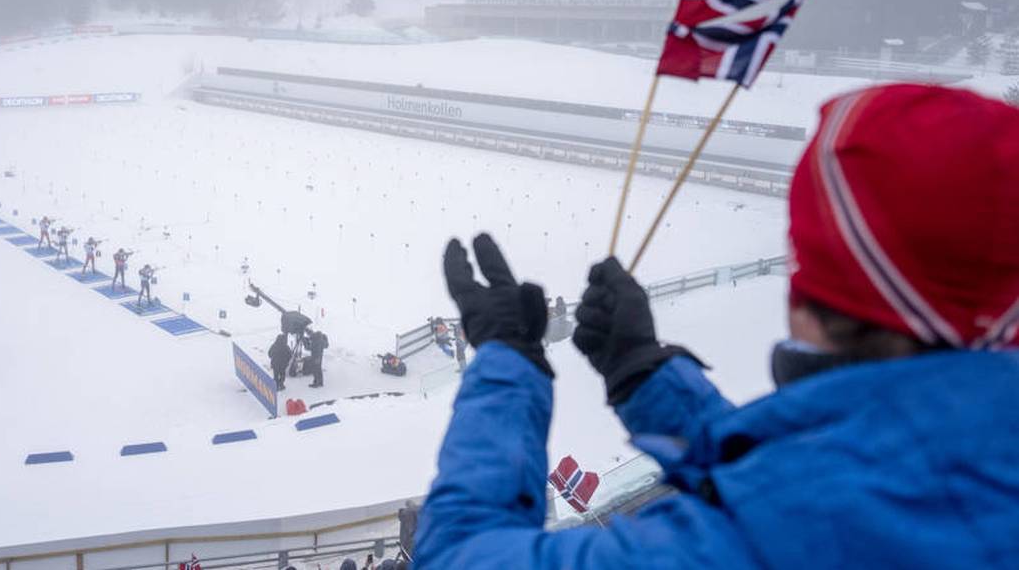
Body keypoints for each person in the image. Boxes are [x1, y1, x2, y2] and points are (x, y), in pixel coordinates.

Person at [414, 84, 1019, 569]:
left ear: (814, 292)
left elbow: (459, 556)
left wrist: (506, 364)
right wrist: (644, 373)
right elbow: (832, 475)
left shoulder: (766, 537)